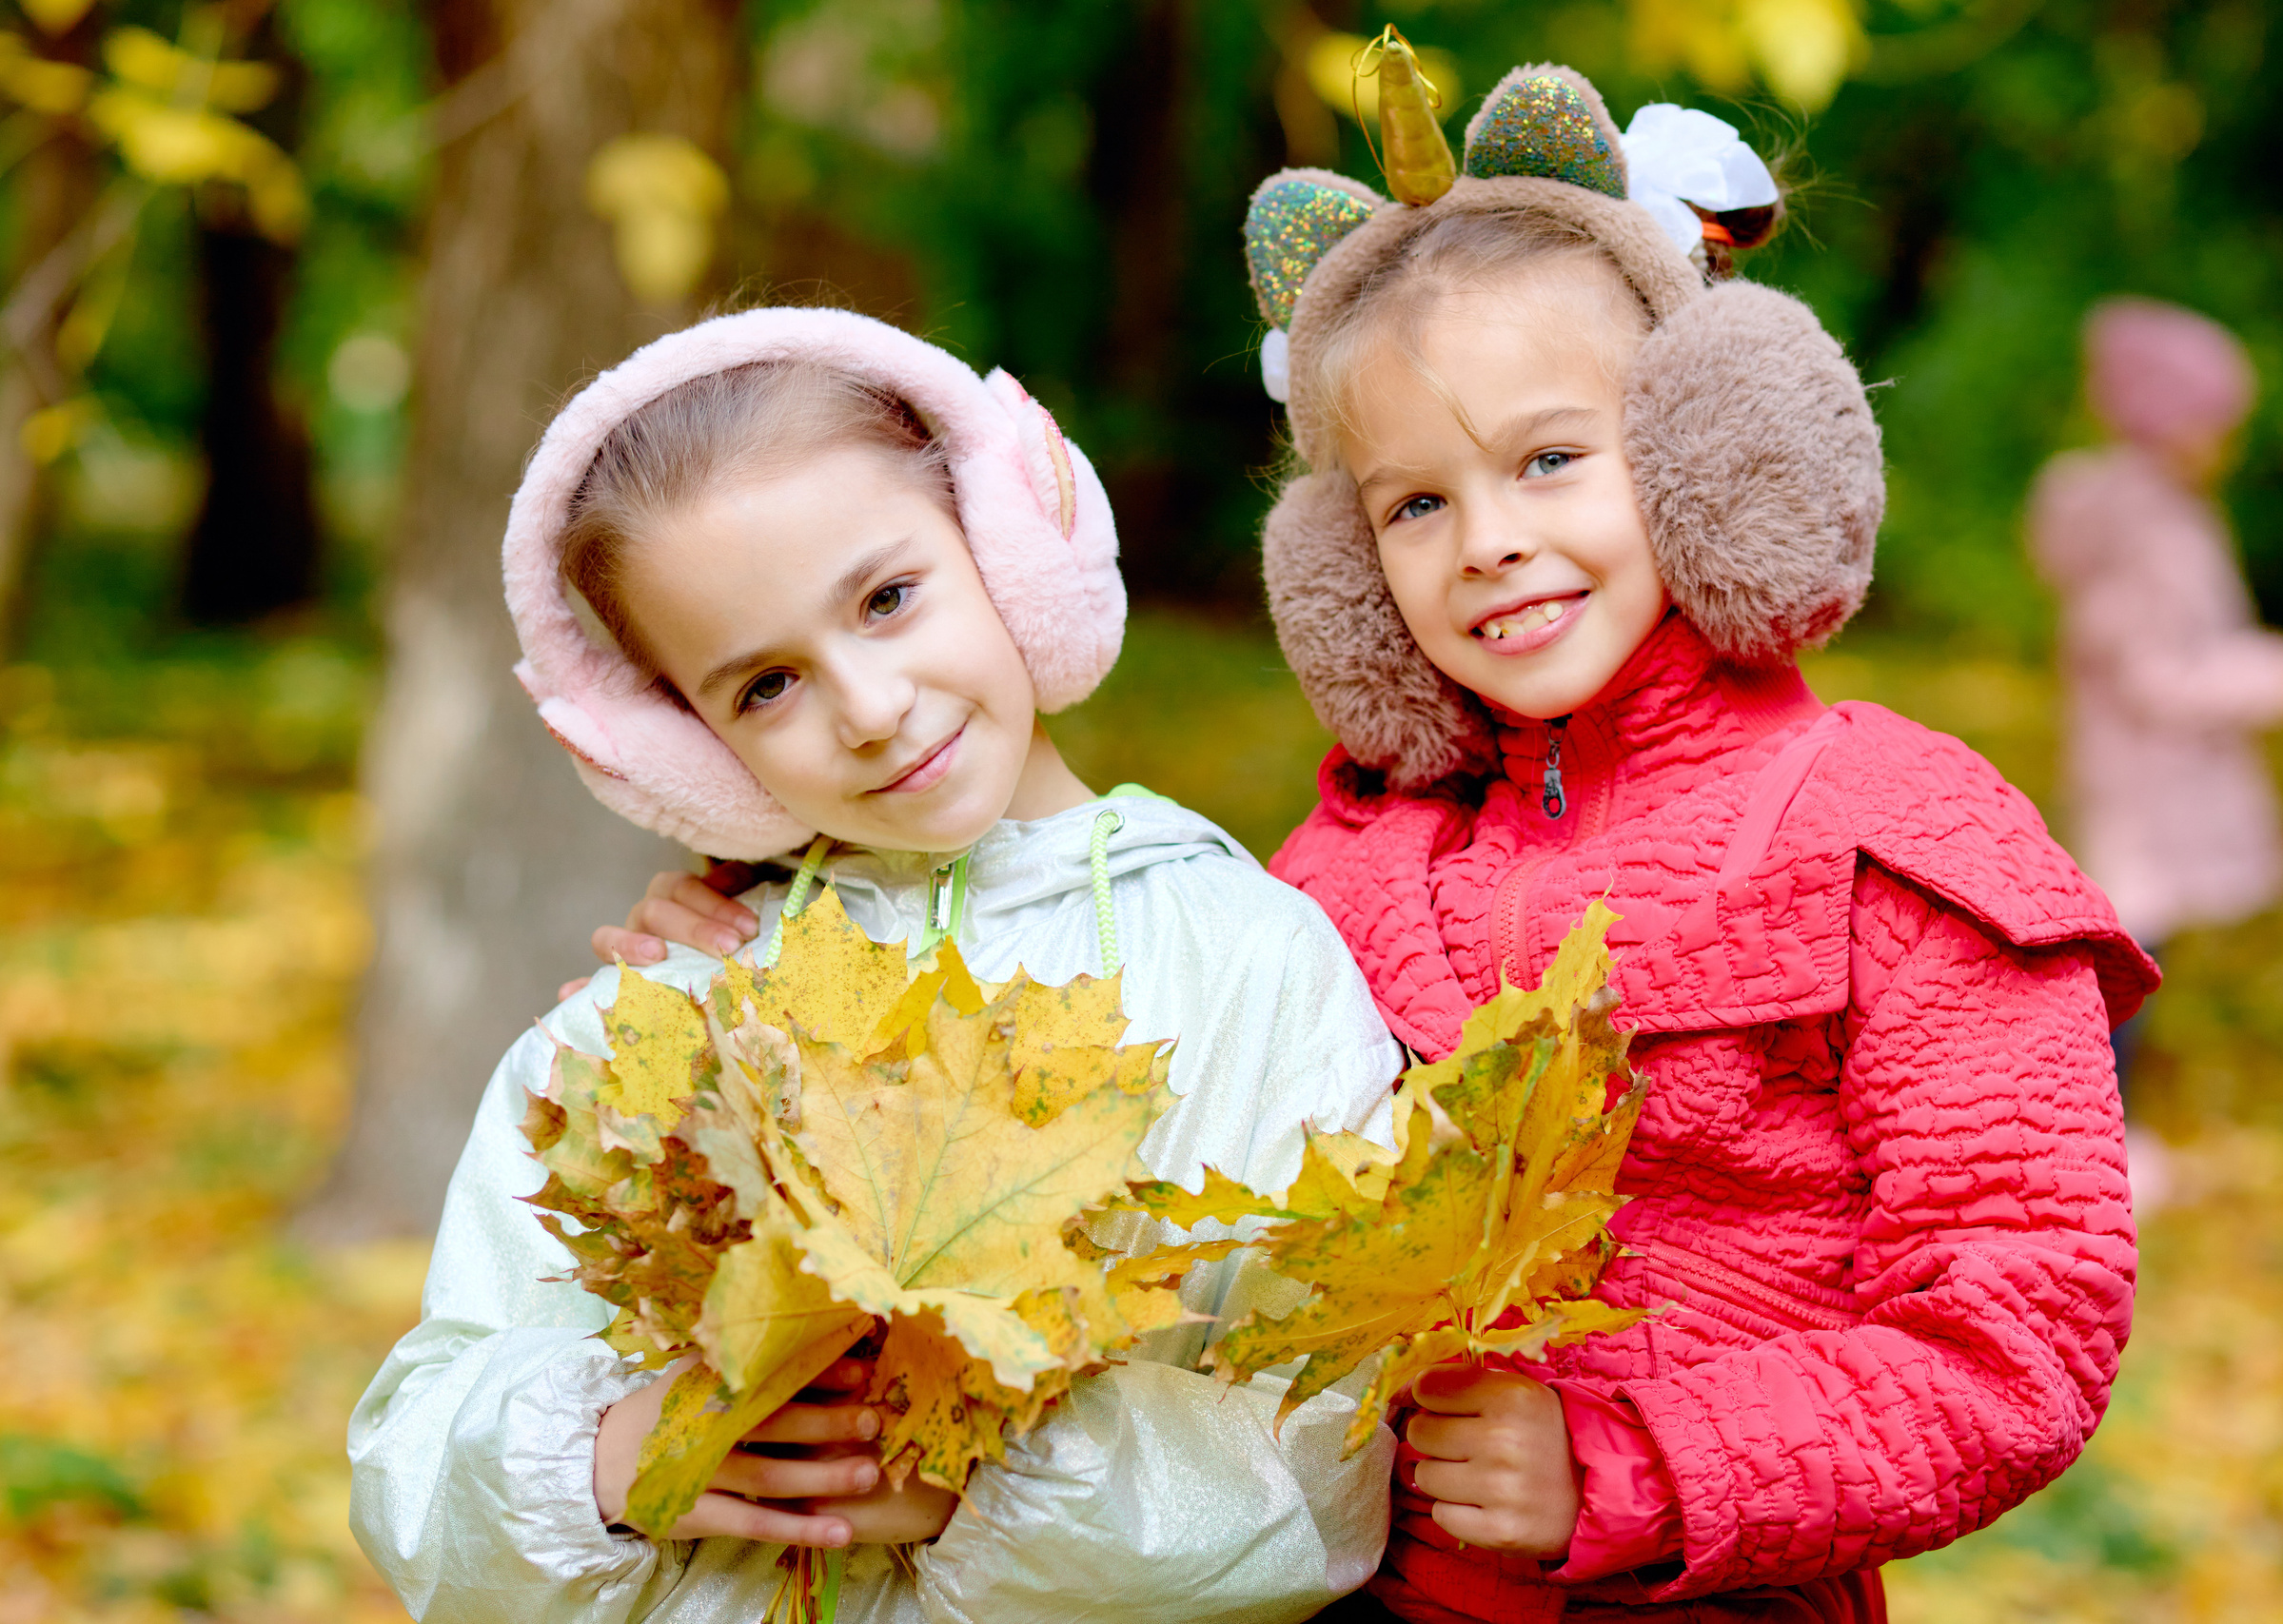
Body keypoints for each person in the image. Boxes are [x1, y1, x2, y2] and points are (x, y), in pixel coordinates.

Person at [599, 64, 2157, 1624]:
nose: (1487, 540)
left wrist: (1640, 1465)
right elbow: (1125, 1131)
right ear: (1345, 553)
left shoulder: (1886, 830)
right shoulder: (1336, 872)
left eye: (1552, 459)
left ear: (1710, 449)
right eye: (1414, 502)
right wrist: (786, 966)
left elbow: (2024, 1322)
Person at [348, 306, 1405, 1623]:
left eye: (888, 598)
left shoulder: (1249, 961)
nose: (867, 704)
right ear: (685, 755)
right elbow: (418, 1444)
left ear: (1016, 545)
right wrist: (607, 1454)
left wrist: (996, 1484)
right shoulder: (673, 1007)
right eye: (763, 686)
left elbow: (1332, 1462)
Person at [2029, 298, 2283, 1111]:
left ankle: (2107, 1127)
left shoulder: (2148, 509)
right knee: (2125, 958)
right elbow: (2161, 676)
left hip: (2137, 772)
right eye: (2215, 422)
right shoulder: (2151, 526)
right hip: (2144, 780)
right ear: (2167, 421)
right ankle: (2103, 1135)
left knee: (2138, 947)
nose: (2228, 442)